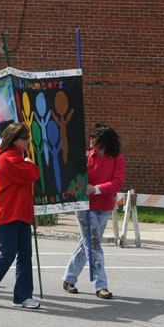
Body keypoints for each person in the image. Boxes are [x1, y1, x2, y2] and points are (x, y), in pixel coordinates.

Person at [0, 122, 41, 309]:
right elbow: (32, 174)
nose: (28, 141)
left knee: (25, 255)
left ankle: (22, 296)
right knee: (8, 254)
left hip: (21, 212)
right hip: (8, 212)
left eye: (28, 137)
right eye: (24, 138)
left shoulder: (17, 156)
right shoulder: (9, 158)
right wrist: (30, 165)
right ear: (14, 140)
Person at [62, 124, 125, 299]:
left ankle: (69, 279)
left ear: (104, 141)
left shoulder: (117, 158)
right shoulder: (86, 157)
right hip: (85, 207)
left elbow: (117, 182)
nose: (90, 140)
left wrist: (97, 189)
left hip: (104, 207)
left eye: (94, 137)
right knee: (94, 245)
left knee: (87, 244)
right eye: (91, 136)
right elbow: (75, 179)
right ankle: (101, 285)